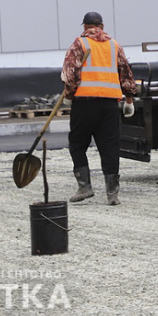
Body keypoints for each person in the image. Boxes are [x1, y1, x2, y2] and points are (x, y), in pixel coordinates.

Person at [62, 11, 137, 206]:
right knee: (110, 147)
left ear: (85, 27)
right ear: (102, 26)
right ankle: (112, 194)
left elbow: (70, 74)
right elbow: (126, 73)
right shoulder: (114, 45)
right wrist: (129, 100)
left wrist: (69, 96)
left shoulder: (79, 43)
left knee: (78, 144)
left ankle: (85, 187)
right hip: (109, 104)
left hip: (85, 103)